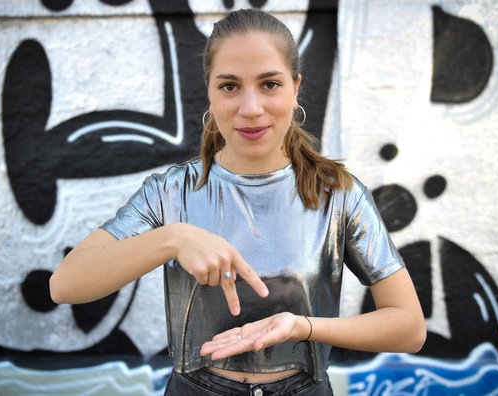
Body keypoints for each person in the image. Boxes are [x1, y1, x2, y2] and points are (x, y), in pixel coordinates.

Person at [50, 8, 426, 395]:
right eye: (230, 86)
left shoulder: (339, 195)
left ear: (295, 88)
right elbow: (65, 285)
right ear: (210, 93)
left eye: (269, 84)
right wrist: (173, 239)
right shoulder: (170, 192)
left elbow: (409, 328)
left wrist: (302, 327)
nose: (250, 108)